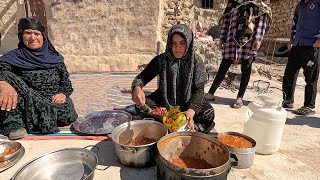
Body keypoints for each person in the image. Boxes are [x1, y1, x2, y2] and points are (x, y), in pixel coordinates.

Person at [0, 18, 78, 140]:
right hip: (26, 100)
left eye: (36, 34)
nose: (32, 38)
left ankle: (35, 118)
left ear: (43, 36)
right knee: (7, 95)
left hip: (51, 101)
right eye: (28, 33)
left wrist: (63, 94)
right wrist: (3, 84)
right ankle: (14, 125)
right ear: (21, 36)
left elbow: (66, 84)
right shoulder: (12, 58)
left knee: (68, 113)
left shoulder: (55, 59)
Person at [131, 24, 215, 133]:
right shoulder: (161, 60)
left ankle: (188, 126)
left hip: (188, 102)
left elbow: (199, 91)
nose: (177, 47)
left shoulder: (196, 62)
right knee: (140, 106)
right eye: (174, 43)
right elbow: (141, 78)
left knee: (208, 113)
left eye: (182, 43)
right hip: (164, 102)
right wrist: (137, 88)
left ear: (189, 43)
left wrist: (191, 110)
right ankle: (179, 125)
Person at [205, 0, 272, 108]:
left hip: (250, 40)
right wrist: (222, 38)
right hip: (231, 38)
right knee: (224, 65)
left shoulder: (259, 1)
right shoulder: (233, 1)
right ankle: (210, 93)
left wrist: (258, 39)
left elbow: (262, 19)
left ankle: (240, 98)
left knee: (246, 68)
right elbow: (227, 19)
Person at [282, 0, 320, 115]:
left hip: (312, 45)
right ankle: (287, 100)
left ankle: (309, 105)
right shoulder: (300, 5)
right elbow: (295, 22)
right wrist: (292, 38)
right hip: (297, 44)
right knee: (289, 74)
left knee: (311, 77)